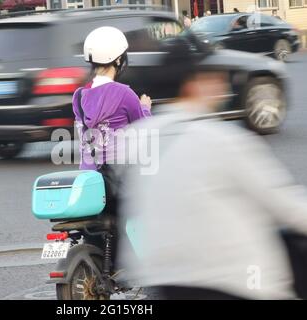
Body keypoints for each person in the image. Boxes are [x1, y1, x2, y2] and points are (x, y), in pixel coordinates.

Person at [116, 54, 307, 300]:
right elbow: (287, 206)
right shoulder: (220, 138)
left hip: (165, 280)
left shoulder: (134, 139)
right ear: (192, 84)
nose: (222, 86)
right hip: (235, 282)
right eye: (214, 78)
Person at [72, 26, 152, 172]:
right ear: (119, 59)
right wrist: (145, 108)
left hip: (88, 177)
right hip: (116, 176)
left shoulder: (78, 96)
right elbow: (144, 129)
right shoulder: (124, 94)